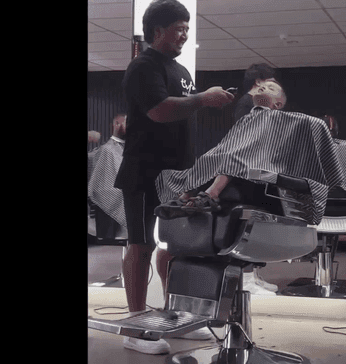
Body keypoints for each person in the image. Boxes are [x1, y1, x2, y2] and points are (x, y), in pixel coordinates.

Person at [113, 0, 234, 355]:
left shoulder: (179, 70)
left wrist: (205, 98)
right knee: (140, 244)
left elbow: (182, 107)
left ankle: (174, 314)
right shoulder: (142, 67)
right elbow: (159, 111)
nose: (184, 33)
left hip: (177, 173)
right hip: (143, 170)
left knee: (175, 246)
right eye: (178, 27)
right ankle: (135, 326)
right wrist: (203, 99)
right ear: (156, 31)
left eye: (186, 27)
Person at [156, 79, 287, 214]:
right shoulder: (247, 119)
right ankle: (185, 198)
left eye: (270, 89)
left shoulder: (276, 120)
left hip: (261, 170)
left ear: (277, 105)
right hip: (244, 167)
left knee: (231, 159)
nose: (263, 87)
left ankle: (211, 194)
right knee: (210, 157)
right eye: (263, 86)